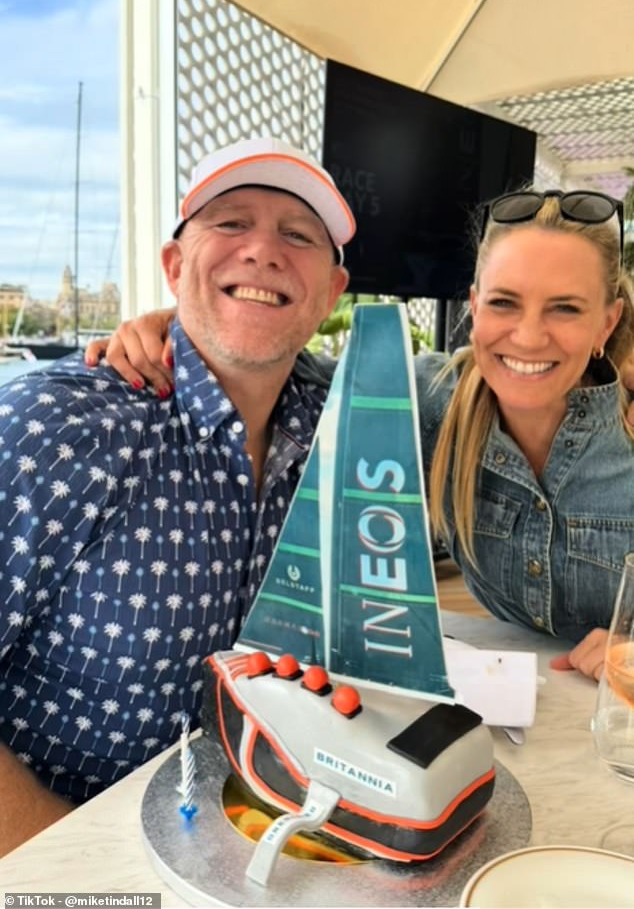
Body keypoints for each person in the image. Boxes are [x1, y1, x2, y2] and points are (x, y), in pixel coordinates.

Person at [93, 188, 634, 688]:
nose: (529, 335)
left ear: (606, 324)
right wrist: (183, 319)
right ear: (473, 306)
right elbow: (275, 358)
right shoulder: (425, 398)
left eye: (566, 308)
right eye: (504, 303)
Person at [0, 137, 351, 854]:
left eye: (298, 234)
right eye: (230, 223)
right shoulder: (57, 427)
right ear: (173, 265)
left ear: (330, 293)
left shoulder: (341, 429)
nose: (262, 249)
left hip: (245, 847)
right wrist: (79, 869)